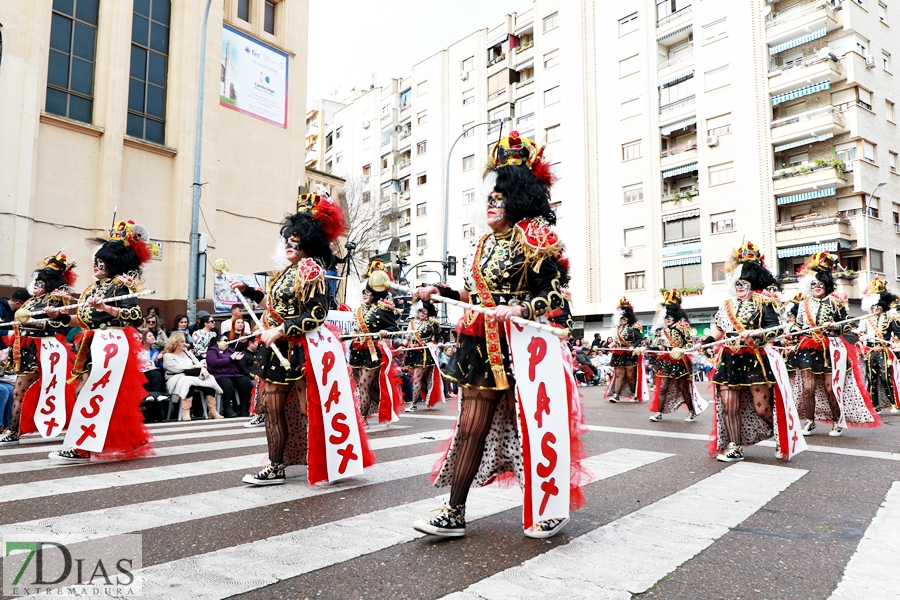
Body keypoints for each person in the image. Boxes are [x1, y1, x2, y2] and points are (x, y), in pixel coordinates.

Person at [412, 130, 586, 539]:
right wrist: (443, 291)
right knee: (470, 426)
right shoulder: (483, 244)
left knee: (535, 428)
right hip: (482, 346)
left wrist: (523, 307)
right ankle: (454, 511)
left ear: (519, 198)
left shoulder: (537, 239)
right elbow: (477, 294)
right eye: (489, 196)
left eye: (499, 197)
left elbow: (556, 293)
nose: (491, 204)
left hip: (526, 348)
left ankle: (549, 506)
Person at [230, 191, 375, 485]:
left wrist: (280, 330)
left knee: (311, 408)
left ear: (308, 244)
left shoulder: (310, 270)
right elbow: (273, 306)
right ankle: (275, 466)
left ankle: (325, 460)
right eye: (288, 240)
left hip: (301, 350)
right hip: (278, 349)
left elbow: (316, 314)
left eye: (295, 242)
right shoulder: (288, 271)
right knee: (272, 410)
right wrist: (247, 291)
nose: (289, 246)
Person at [50, 221, 156, 463]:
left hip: (111, 344)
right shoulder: (92, 288)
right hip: (90, 344)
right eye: (95, 262)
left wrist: (107, 307)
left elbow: (135, 316)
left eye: (102, 263)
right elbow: (85, 318)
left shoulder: (122, 287)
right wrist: (60, 316)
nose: (96, 267)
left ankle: (81, 447)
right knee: (94, 393)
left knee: (90, 392)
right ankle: (130, 442)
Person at [697, 242, 785, 463]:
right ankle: (735, 446)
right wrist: (706, 341)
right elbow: (719, 329)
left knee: (762, 408)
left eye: (744, 283)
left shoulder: (765, 302)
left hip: (755, 359)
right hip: (729, 359)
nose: (740, 287)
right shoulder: (726, 305)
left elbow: (774, 330)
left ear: (752, 283)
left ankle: (780, 437)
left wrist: (755, 333)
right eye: (737, 283)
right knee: (729, 406)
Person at [793, 253, 878, 436]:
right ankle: (809, 421)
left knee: (831, 388)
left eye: (820, 284)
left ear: (827, 285)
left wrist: (833, 327)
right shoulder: (803, 304)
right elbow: (798, 325)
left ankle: (837, 421)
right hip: (808, 347)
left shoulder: (836, 303)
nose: (817, 287)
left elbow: (847, 324)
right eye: (813, 284)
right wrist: (792, 332)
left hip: (831, 348)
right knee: (808, 388)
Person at [0, 254, 77, 447]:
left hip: (44, 350)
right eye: (37, 281)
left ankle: (14, 431)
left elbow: (60, 324)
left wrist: (37, 322)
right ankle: (14, 430)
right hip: (24, 349)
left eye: (42, 282)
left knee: (45, 390)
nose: (37, 285)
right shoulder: (31, 301)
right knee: (20, 391)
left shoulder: (57, 300)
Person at [348, 259, 403, 423]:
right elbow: (356, 329)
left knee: (364, 385)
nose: (365, 296)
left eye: (369, 293)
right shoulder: (358, 311)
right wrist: (352, 333)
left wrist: (386, 332)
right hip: (357, 350)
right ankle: (385, 407)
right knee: (365, 385)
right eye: (364, 293)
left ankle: (361, 419)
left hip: (372, 351)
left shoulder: (383, 309)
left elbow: (395, 330)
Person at [648, 289, 703, 423]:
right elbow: (661, 345)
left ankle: (692, 411)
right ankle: (659, 413)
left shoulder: (682, 326)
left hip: (680, 361)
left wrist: (680, 350)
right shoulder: (664, 331)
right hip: (666, 361)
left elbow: (689, 343)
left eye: (671, 317)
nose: (668, 319)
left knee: (683, 388)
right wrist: (652, 348)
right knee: (662, 388)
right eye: (666, 317)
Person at [854, 279, 900, 414]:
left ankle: (893, 403)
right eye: (873, 306)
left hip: (883, 351)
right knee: (871, 379)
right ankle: (875, 405)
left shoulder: (890, 318)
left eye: (878, 305)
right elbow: (860, 333)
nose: (876, 308)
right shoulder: (865, 319)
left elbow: (897, 332)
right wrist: (859, 334)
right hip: (870, 351)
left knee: (885, 378)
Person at [162, 333, 223, 420]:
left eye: (185, 341)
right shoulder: (167, 355)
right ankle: (185, 411)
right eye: (182, 342)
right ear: (175, 343)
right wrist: (194, 367)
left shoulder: (187, 353)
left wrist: (203, 369)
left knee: (208, 379)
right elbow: (175, 368)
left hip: (192, 375)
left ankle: (212, 411)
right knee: (188, 382)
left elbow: (198, 363)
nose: (185, 344)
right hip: (176, 377)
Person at [404, 299, 442, 411]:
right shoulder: (411, 323)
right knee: (416, 378)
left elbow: (439, 336)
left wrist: (439, 343)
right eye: (420, 311)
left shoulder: (432, 323)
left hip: (425, 353)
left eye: (425, 311)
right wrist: (402, 346)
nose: (422, 313)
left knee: (417, 378)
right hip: (412, 352)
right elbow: (407, 338)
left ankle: (413, 404)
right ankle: (427, 394)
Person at [607, 297, 644, 403]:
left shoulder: (634, 327)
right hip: (618, 353)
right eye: (622, 317)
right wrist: (609, 346)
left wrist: (633, 346)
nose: (623, 319)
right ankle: (616, 395)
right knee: (619, 374)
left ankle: (634, 394)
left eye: (625, 317)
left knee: (630, 375)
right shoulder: (617, 328)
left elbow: (640, 339)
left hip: (630, 353)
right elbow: (616, 340)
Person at [206, 334, 253, 418]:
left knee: (245, 381)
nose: (227, 342)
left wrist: (238, 360)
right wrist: (230, 359)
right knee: (227, 384)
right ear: (218, 342)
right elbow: (214, 362)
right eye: (225, 340)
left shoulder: (230, 350)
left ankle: (243, 408)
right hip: (219, 375)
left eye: (228, 340)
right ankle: (227, 408)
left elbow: (238, 364)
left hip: (233, 374)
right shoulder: (212, 351)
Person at [139, 329, 168, 421]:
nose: (152, 338)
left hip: (152, 370)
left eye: (153, 336)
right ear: (144, 339)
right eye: (150, 336)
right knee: (144, 377)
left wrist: (159, 360)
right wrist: (153, 359)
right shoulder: (139, 351)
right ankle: (149, 397)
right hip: (141, 371)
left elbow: (159, 366)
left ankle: (156, 395)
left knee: (157, 374)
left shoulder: (154, 350)